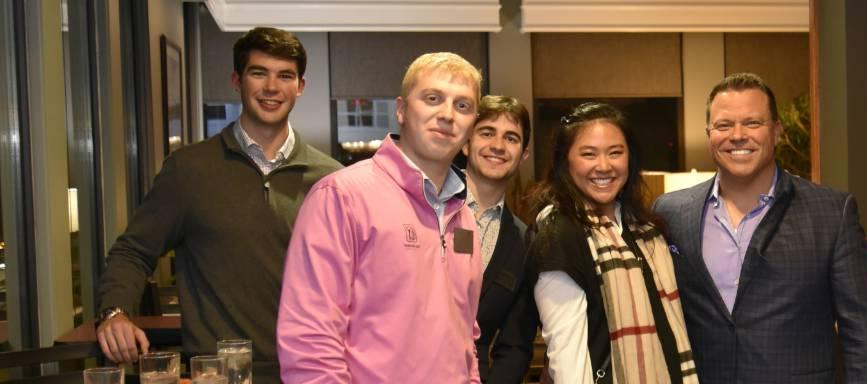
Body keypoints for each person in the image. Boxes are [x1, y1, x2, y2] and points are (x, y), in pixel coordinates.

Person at [95, 27, 341, 383]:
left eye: (285, 75)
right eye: (259, 73)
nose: (272, 87)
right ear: (236, 80)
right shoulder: (188, 170)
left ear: (300, 86)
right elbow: (132, 252)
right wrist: (115, 312)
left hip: (311, 372)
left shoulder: (331, 180)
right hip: (219, 374)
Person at [652, 73, 867, 383]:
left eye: (752, 123)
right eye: (723, 125)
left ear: (776, 131)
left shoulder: (832, 213)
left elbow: (864, 332)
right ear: (709, 133)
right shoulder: (670, 213)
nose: (737, 135)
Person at [276, 52, 484, 383]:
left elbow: (465, 336)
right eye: (433, 99)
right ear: (401, 109)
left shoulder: (465, 219)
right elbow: (309, 341)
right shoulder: (342, 197)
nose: (447, 115)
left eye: (463, 106)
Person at [529, 102, 698, 383]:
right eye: (588, 154)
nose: (604, 166)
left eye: (615, 153)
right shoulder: (559, 234)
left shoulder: (644, 229)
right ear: (565, 161)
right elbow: (567, 358)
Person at [465, 95, 539, 383]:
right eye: (487, 133)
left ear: (523, 155)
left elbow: (515, 345)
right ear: (466, 142)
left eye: (511, 138)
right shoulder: (425, 209)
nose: (498, 146)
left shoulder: (524, 242)